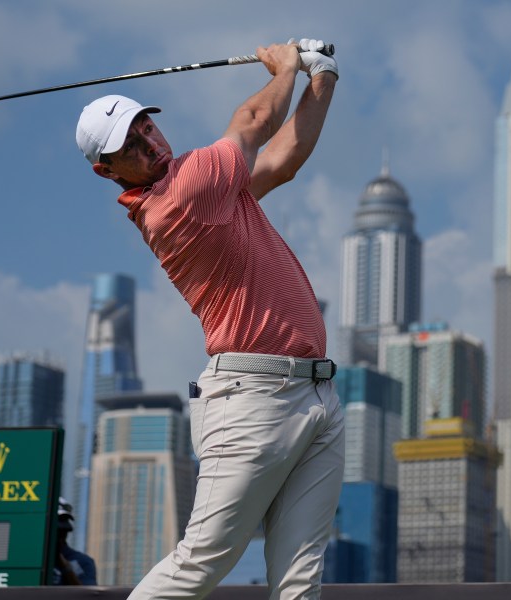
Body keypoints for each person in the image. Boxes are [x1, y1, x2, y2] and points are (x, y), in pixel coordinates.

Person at [76, 38, 345, 600]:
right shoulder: (183, 193)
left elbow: (282, 161)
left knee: (301, 578)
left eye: (146, 126)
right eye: (130, 145)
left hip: (315, 394)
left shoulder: (215, 190)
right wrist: (287, 62)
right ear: (108, 172)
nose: (149, 142)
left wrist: (323, 78)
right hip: (253, 398)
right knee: (200, 563)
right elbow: (256, 118)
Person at [52, 497, 97, 586]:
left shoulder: (82, 561)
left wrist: (66, 567)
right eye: (58, 531)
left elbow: (88, 596)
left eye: (63, 531)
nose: (61, 535)